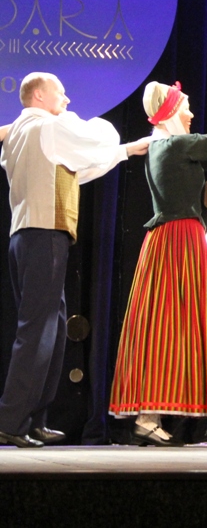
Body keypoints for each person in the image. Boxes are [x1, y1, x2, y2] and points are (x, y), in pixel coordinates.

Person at [0, 72, 149, 448]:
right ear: (38, 95)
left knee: (51, 329)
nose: (67, 100)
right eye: (61, 93)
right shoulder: (49, 128)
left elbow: (76, 168)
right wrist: (110, 139)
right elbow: (99, 137)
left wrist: (125, 151)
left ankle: (33, 418)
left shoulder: (21, 133)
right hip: (43, 235)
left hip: (29, 236)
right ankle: (11, 420)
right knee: (37, 331)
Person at [108, 81, 207, 445]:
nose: (191, 114)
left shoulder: (167, 146)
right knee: (169, 323)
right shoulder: (174, 144)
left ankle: (151, 417)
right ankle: (147, 417)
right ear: (171, 111)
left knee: (169, 324)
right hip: (178, 239)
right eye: (185, 107)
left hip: (172, 238)